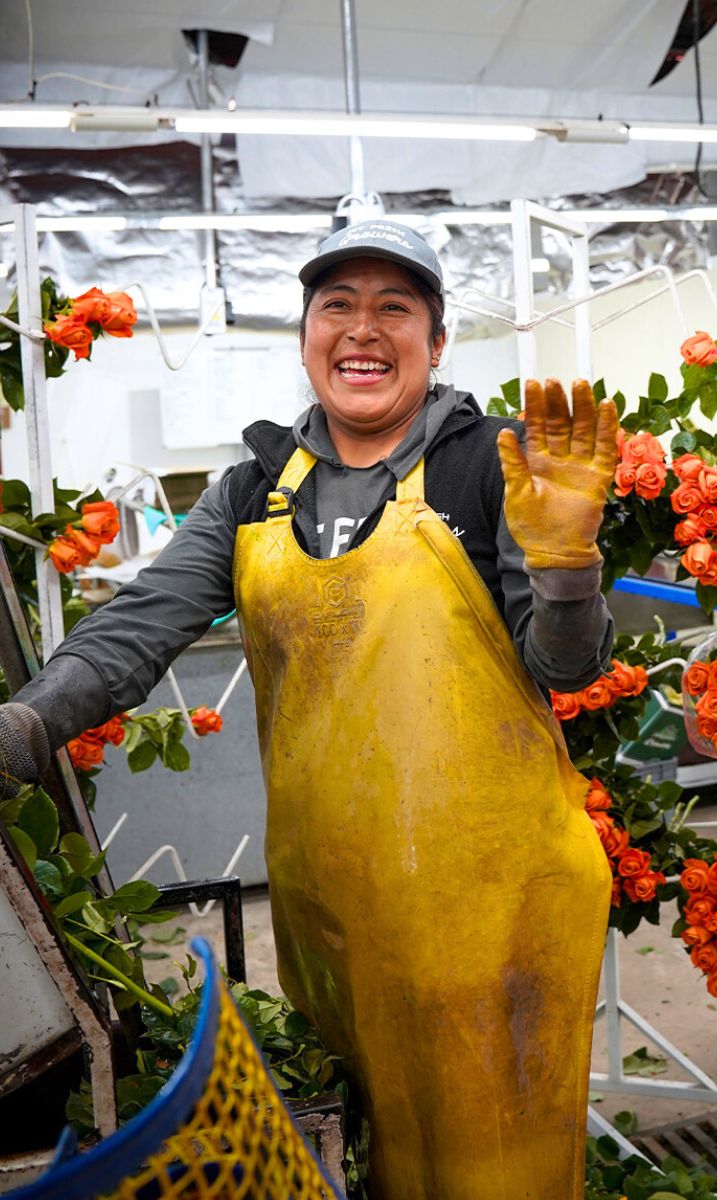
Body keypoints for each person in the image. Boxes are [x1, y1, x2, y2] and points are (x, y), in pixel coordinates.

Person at [0, 220, 618, 1199]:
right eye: (338, 306)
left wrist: (569, 567)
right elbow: (140, 628)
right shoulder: (252, 490)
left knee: (494, 1172)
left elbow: (564, 666)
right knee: (364, 1166)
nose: (363, 330)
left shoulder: (485, 469)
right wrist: (25, 727)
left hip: (494, 915)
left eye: (394, 309)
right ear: (305, 337)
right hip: (331, 923)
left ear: (437, 341)